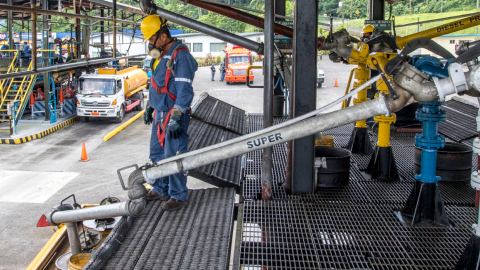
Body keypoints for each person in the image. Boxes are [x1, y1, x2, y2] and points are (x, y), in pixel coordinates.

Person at [141, 14, 198, 211]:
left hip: (173, 114)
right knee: (157, 153)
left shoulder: (179, 55)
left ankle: (178, 195)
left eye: (151, 39)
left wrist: (177, 114)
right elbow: (157, 84)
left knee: (174, 155)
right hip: (159, 112)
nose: (150, 44)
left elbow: (185, 89)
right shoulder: (161, 55)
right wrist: (150, 105)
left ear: (163, 36)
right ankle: (160, 187)